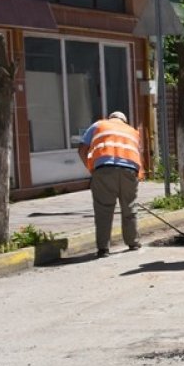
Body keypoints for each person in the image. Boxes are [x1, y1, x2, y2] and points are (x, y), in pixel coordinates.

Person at [77, 111, 142, 259]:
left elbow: (82, 149)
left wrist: (91, 167)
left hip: (104, 169)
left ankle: (103, 248)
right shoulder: (132, 131)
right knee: (129, 207)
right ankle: (133, 242)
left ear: (110, 118)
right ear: (124, 121)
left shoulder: (99, 125)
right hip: (129, 171)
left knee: (104, 209)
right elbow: (137, 153)